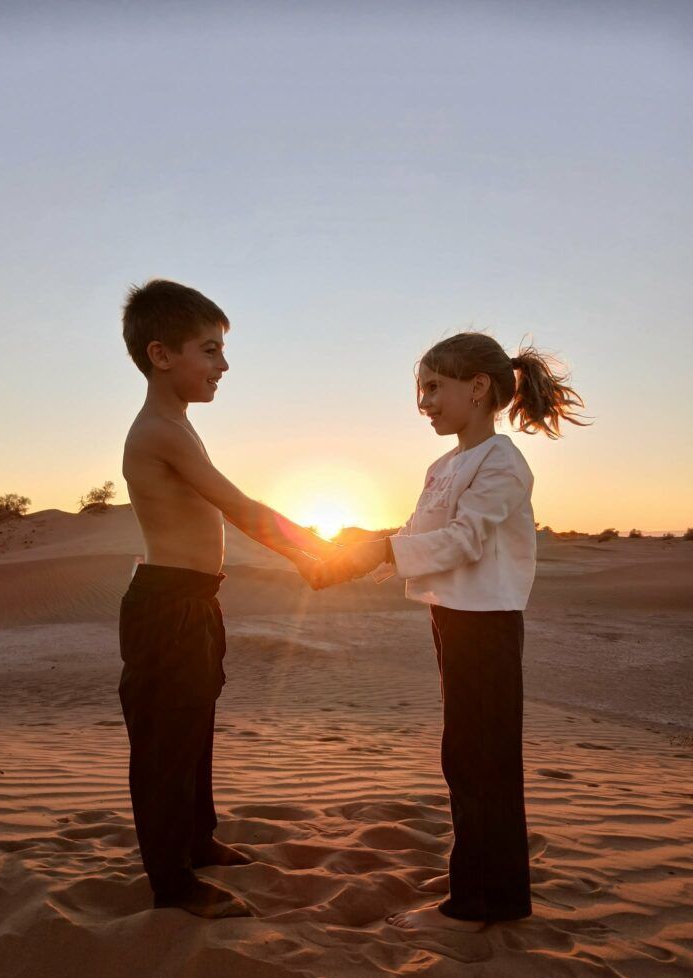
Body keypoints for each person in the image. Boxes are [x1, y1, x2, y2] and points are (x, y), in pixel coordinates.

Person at [312, 332, 588, 932]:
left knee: (481, 758)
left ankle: (479, 902)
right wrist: (341, 558)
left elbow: (464, 541)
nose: (425, 403)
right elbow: (415, 533)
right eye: (421, 391)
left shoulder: (503, 462)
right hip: (451, 619)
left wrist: (374, 552)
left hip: (488, 624)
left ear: (479, 387)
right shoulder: (443, 465)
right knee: (464, 756)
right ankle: (487, 884)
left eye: (434, 387)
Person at [118, 279, 326, 918]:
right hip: (166, 604)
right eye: (209, 351)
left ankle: (198, 841)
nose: (223, 365)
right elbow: (239, 506)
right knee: (166, 744)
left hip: (197, 599)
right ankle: (171, 885)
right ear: (161, 355)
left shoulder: (179, 424)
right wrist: (313, 554)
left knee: (197, 726)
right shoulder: (160, 430)